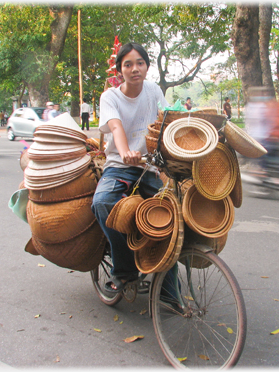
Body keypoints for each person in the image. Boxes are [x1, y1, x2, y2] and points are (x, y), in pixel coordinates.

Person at [91, 42, 177, 299]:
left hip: (150, 168)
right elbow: (116, 127)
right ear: (120, 71)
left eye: (140, 63)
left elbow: (167, 119)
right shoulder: (111, 97)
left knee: (173, 215)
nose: (135, 68)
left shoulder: (153, 91)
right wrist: (126, 151)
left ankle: (169, 292)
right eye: (128, 64)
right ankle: (125, 269)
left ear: (147, 67)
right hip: (120, 166)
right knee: (102, 202)